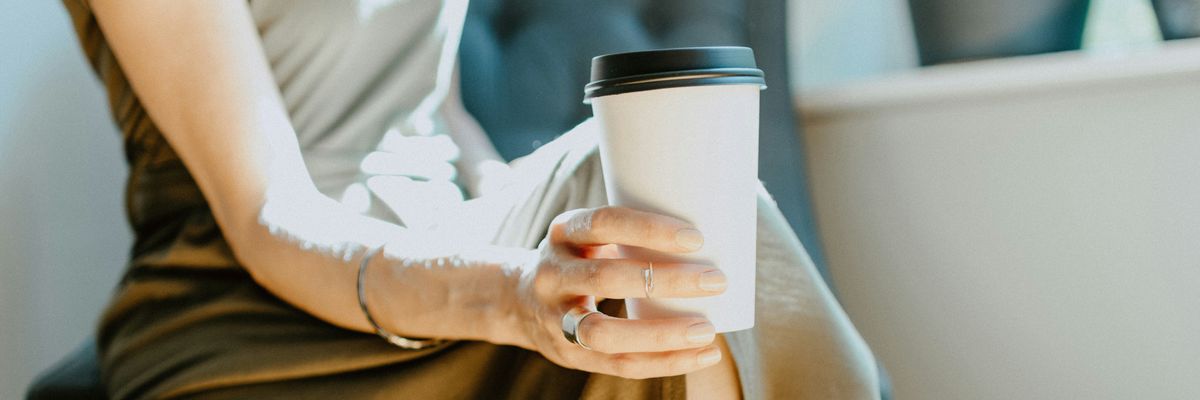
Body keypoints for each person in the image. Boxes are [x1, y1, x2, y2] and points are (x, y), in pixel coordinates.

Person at [63, 0, 879, 398]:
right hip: (249, 304)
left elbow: (437, 114)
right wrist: (511, 294)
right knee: (611, 199)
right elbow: (268, 214)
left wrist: (537, 237)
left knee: (634, 249)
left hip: (442, 234)